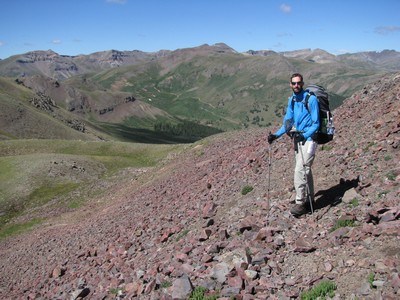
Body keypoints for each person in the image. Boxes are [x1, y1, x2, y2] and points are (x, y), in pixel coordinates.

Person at [267, 73, 320, 217]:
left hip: (309, 139)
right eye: (294, 83)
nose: (296, 86)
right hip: (298, 139)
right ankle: (311, 200)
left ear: (302, 84)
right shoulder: (292, 101)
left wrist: (304, 134)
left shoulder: (311, 100)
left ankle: (300, 203)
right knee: (305, 170)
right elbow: (288, 123)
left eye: (299, 83)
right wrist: (275, 136)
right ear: (290, 85)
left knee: (299, 170)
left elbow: (316, 123)